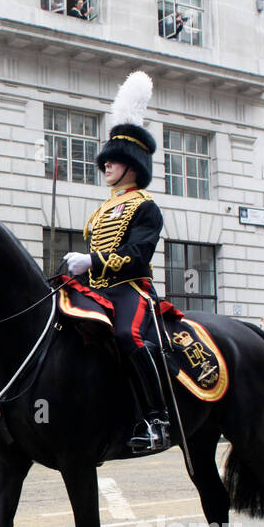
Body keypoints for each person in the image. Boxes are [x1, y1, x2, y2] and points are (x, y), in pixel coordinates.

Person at [62, 71, 171, 452]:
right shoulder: (100, 211)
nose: (105, 165)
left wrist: (91, 261)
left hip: (130, 288)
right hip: (97, 289)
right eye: (105, 161)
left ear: (132, 164)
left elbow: (137, 256)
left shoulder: (146, 207)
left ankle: (157, 417)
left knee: (128, 335)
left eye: (113, 160)